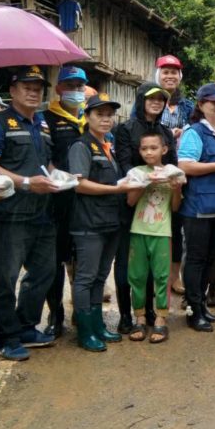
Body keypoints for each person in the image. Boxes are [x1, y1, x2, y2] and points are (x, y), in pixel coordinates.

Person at [0, 66, 61, 361]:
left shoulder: (42, 123)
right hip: (8, 214)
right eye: (27, 87)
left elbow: (45, 164)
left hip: (41, 212)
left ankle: (26, 326)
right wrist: (25, 182)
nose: (33, 92)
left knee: (44, 272)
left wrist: (60, 177)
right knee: (4, 277)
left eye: (38, 88)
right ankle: (6, 336)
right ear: (12, 91)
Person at [65, 94, 130, 351]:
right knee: (86, 277)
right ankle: (85, 331)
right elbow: (79, 184)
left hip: (111, 221)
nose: (105, 119)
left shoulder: (107, 145)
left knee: (101, 276)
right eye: (99, 114)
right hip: (89, 223)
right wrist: (117, 189)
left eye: (109, 115)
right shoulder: (81, 146)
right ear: (87, 117)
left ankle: (98, 325)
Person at [114, 83, 175, 332]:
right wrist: (144, 178)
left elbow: (173, 165)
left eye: (161, 99)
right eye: (151, 98)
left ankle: (150, 311)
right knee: (127, 264)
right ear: (141, 100)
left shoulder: (165, 132)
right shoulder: (125, 128)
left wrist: (169, 179)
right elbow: (123, 164)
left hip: (158, 202)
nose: (156, 102)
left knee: (155, 267)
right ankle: (126, 315)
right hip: (130, 201)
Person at [178, 83, 215, 332]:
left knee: (210, 260)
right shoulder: (195, 133)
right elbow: (185, 165)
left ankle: (202, 306)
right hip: (199, 209)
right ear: (202, 105)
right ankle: (193, 311)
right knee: (196, 259)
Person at [125, 129, 185, 343]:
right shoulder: (136, 172)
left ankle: (161, 318)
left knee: (162, 276)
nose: (149, 152)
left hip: (162, 232)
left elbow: (175, 207)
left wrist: (176, 188)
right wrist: (145, 183)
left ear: (164, 149)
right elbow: (130, 201)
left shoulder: (172, 172)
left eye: (153, 148)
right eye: (144, 148)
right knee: (137, 276)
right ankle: (140, 317)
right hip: (138, 230)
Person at [42, 65, 88, 338]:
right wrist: (56, 175)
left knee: (82, 257)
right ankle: (55, 313)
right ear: (59, 89)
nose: (75, 91)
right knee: (56, 259)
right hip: (57, 200)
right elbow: (43, 157)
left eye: (80, 86)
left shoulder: (91, 117)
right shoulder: (46, 119)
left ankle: (80, 310)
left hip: (85, 200)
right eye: (70, 86)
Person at [153, 55, 193, 299]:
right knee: (154, 222)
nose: (170, 76)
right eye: (165, 72)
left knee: (177, 226)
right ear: (158, 75)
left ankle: (174, 276)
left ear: (180, 76)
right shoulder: (148, 100)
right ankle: (155, 275)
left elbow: (196, 130)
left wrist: (183, 133)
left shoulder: (187, 106)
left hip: (180, 170)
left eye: (174, 72)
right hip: (156, 170)